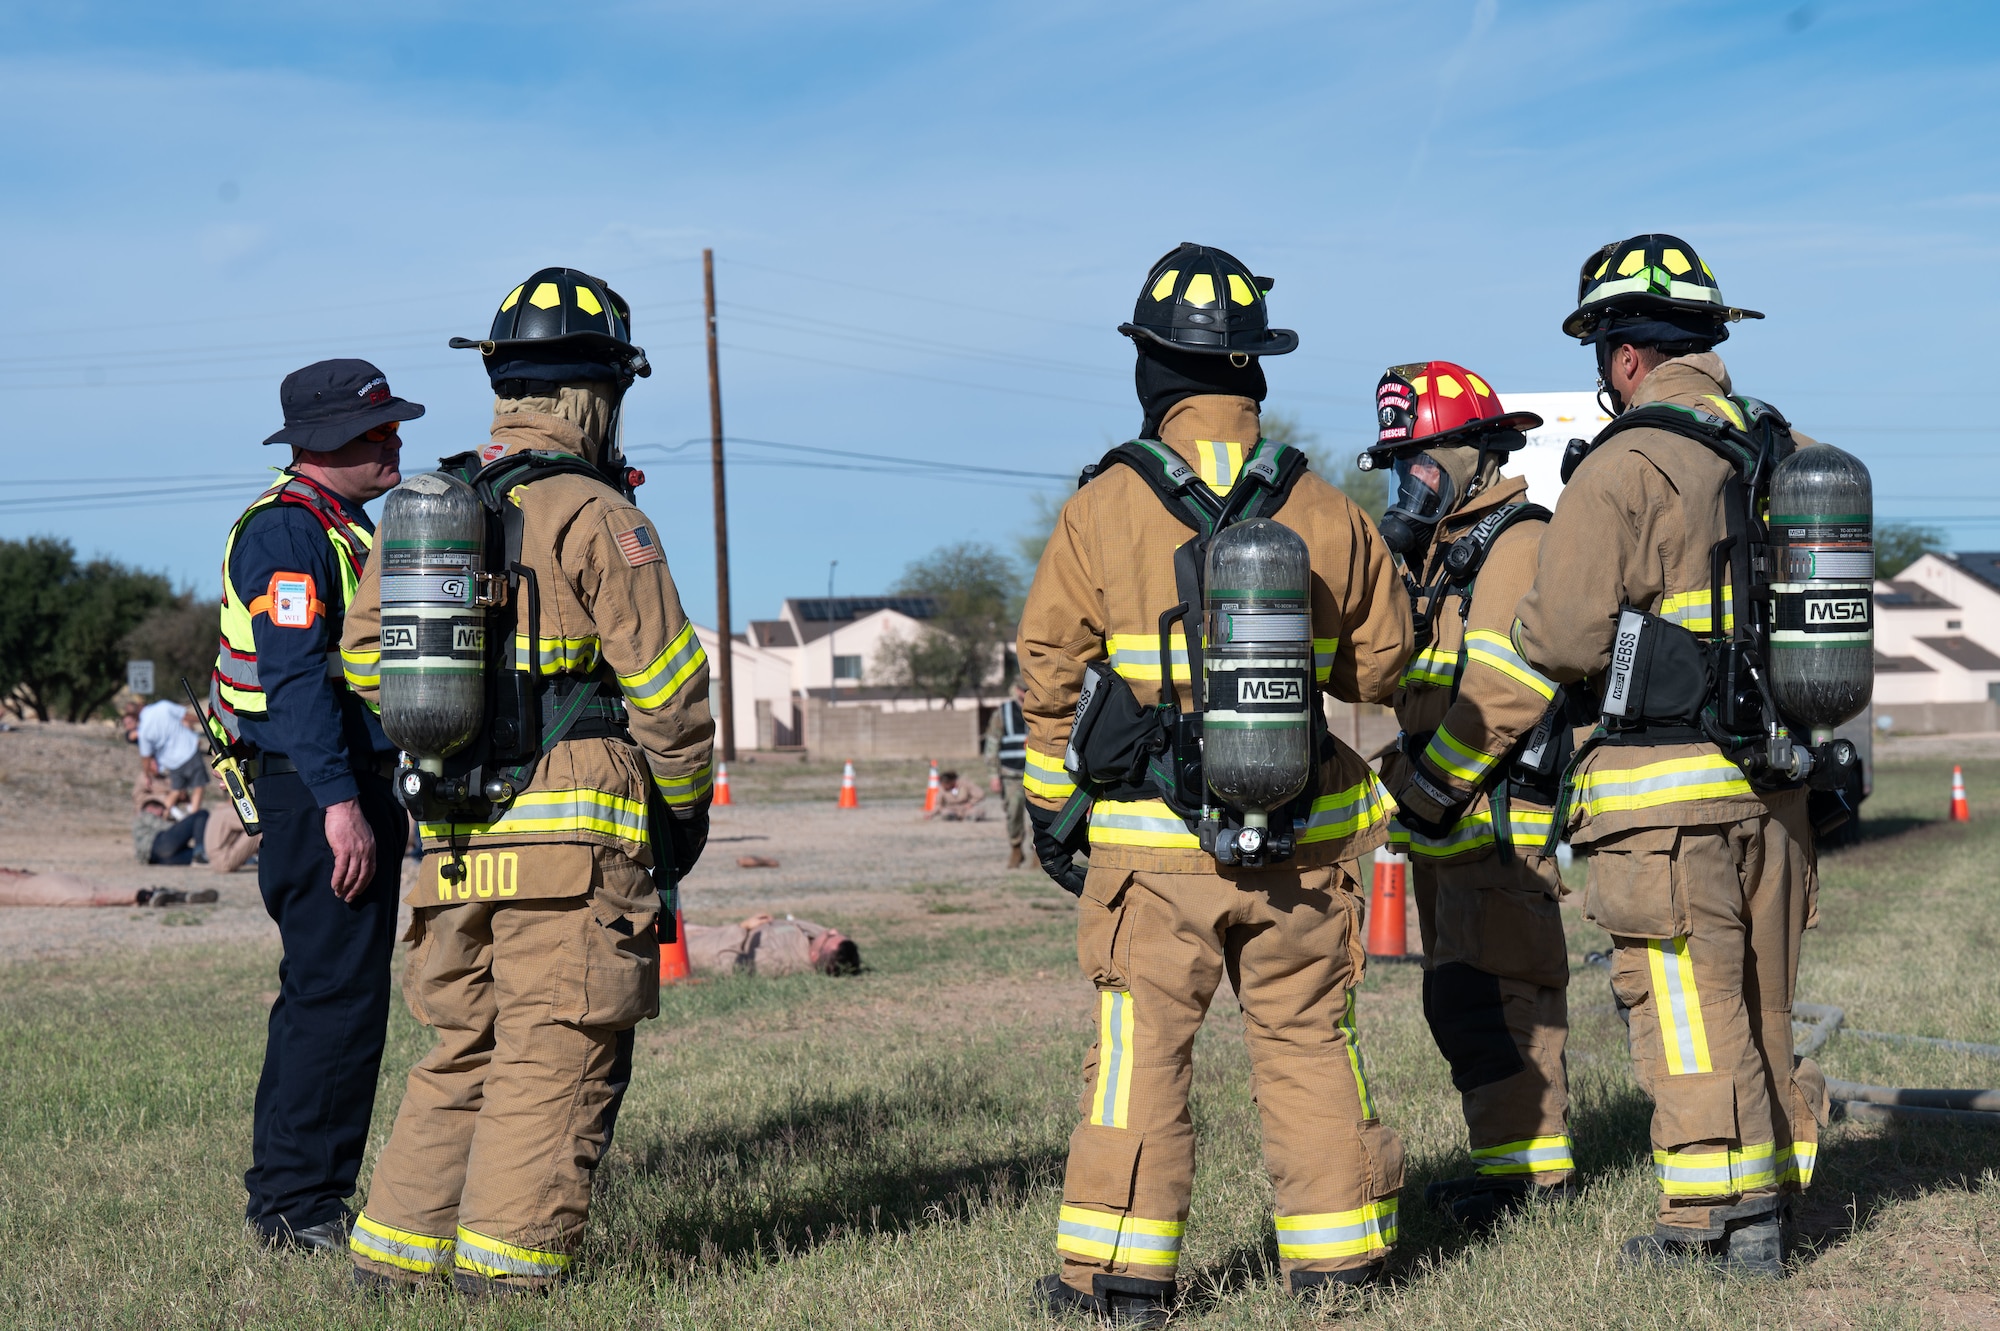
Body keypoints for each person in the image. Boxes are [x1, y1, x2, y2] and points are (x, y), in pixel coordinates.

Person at [1017, 243, 1412, 1323]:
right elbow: (1382, 666)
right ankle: (1338, 1263)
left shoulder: (1103, 503)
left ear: (1150, 366)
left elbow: (1047, 668)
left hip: (1153, 851)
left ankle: (1116, 1277)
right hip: (1305, 839)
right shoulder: (1322, 506)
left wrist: (1055, 808)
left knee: (1138, 1052)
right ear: (1255, 373)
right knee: (1307, 1041)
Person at [340, 267, 714, 1298]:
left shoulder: (433, 508)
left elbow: (368, 661)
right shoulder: (600, 515)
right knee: (557, 1050)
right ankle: (508, 1278)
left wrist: (467, 723)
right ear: (599, 393)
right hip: (573, 841)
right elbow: (669, 688)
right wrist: (679, 810)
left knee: (464, 1043)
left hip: (453, 835)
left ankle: (393, 1260)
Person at [1510, 235, 1827, 1276]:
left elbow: (1561, 639)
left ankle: (1714, 1224)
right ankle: (1774, 1193)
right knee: (1762, 1002)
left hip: (1661, 791)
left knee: (1686, 1007)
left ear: (1625, 356)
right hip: (1773, 783)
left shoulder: (1622, 464)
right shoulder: (1787, 449)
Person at [214, 357, 423, 1250]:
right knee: (331, 999)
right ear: (329, 439)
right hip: (312, 792)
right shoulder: (286, 535)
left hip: (338, 786)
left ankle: (307, 1196)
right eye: (380, 430)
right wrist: (342, 804)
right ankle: (297, 1208)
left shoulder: (345, 527)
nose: (396, 440)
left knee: (341, 996)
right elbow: (297, 681)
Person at [1363, 361, 1576, 1232]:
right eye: (1397, 462)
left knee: (1499, 1000)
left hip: (1489, 821)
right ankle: (1513, 1170)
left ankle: (1530, 1183)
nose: (1408, 476)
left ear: (1479, 452)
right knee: (1462, 1002)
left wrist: (1427, 788)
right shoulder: (1438, 559)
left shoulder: (1516, 541)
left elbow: (1504, 687)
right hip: (1447, 826)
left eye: (1423, 455)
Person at [983, 681, 1030, 866]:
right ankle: (1016, 849)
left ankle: (1039, 854)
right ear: (1017, 690)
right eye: (1024, 689)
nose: (1027, 693)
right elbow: (992, 744)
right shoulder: (1002, 712)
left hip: (1037, 774)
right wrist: (993, 775)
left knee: (1040, 816)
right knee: (1013, 812)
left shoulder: (1043, 709)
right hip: (1011, 774)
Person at [137, 698, 206, 814]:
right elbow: (185, 716)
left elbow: (146, 756)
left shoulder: (143, 730)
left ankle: (159, 815)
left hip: (172, 762)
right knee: (198, 786)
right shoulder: (163, 706)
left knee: (176, 790)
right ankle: (194, 815)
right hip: (188, 751)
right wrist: (203, 721)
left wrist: (146, 774)